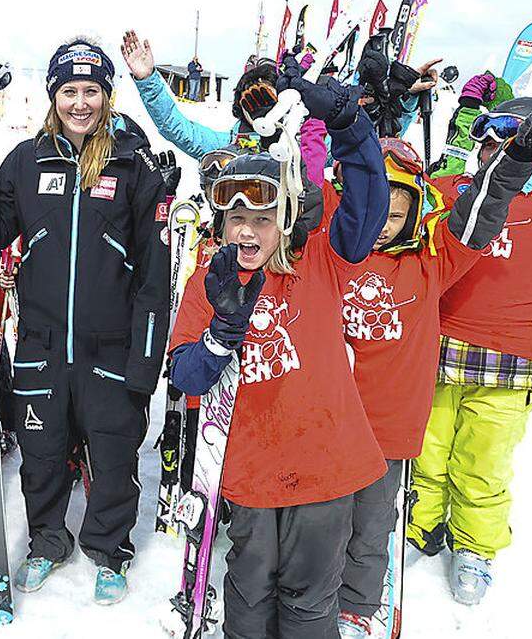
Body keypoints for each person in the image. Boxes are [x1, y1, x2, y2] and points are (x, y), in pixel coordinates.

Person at [167, 54, 390, 638]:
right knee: (248, 594)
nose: (246, 231)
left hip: (325, 467)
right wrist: (221, 334)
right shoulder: (206, 283)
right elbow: (184, 376)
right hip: (249, 471)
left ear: (286, 218)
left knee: (309, 601)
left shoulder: (318, 260)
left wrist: (346, 121)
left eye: (263, 218)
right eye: (234, 216)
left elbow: (368, 200)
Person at [330, 131, 532, 635]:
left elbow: (477, 216)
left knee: (370, 529)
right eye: (368, 209)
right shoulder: (332, 254)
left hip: (386, 433)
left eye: (393, 215)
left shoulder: (430, 262)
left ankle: (358, 605)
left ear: (415, 214)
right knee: (320, 524)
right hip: (326, 424)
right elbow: (298, 196)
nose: (379, 226)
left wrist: (514, 159)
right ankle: (311, 595)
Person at [0, 37, 170, 604]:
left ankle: (108, 550)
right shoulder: (25, 161)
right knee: (41, 456)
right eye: (70, 90)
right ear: (53, 95)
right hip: (41, 344)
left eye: (92, 90)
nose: (81, 102)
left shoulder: (131, 165)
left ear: (107, 96)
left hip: (111, 349)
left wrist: (144, 363)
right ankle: (46, 540)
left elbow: (155, 276)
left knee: (114, 459)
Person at [409, 95, 532, 605]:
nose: (495, 145)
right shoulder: (454, 190)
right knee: (425, 449)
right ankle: (418, 522)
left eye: (510, 137)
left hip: (513, 363)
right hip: (439, 348)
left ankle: (474, 547)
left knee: (481, 463)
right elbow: (398, 193)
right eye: (488, 134)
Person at [121, 30, 273, 160]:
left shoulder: (293, 144)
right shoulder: (227, 146)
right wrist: (148, 80)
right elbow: (175, 127)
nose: (259, 104)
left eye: (268, 98)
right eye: (251, 97)